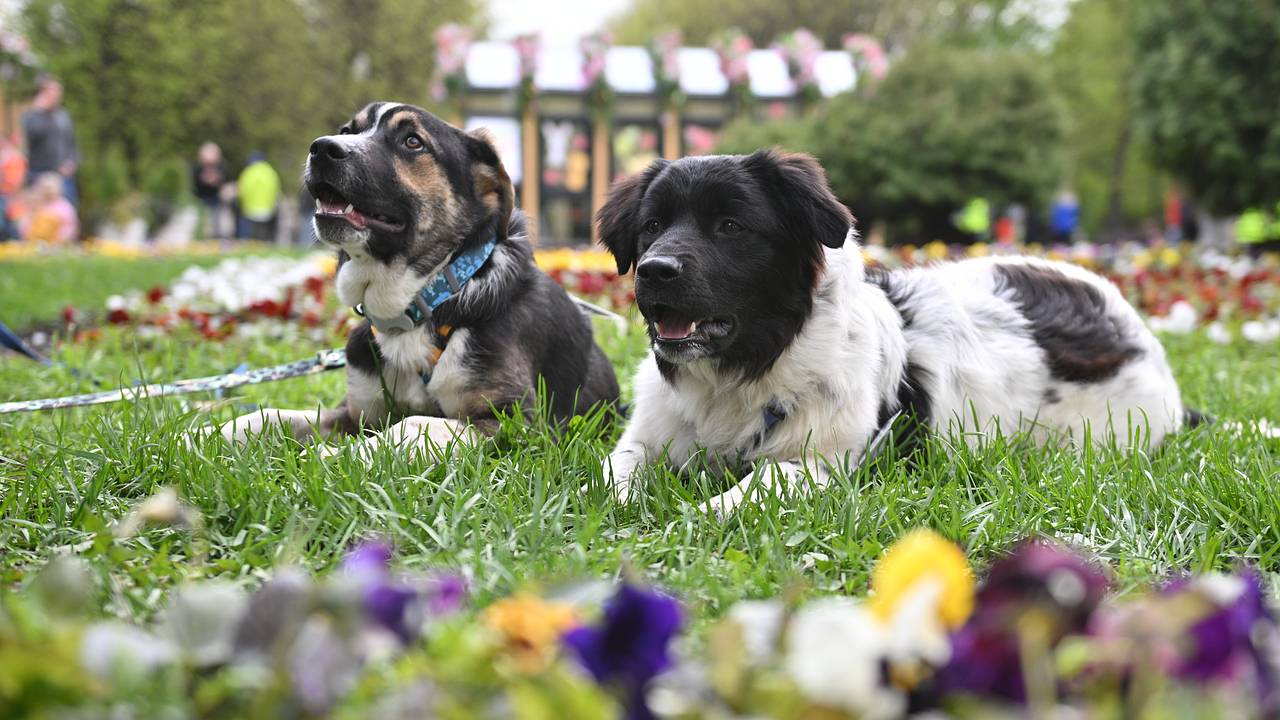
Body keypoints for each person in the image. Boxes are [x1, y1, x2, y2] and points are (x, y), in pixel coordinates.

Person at [22, 78, 78, 207]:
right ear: (43, 94)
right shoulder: (32, 117)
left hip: (63, 174)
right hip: (40, 174)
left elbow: (72, 142)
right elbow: (33, 135)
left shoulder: (63, 116)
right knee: (41, 215)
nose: (55, 97)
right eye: (51, 93)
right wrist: (39, 112)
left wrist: (72, 161)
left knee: (66, 213)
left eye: (57, 93)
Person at [19, 172, 78, 246]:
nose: (48, 191)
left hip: (58, 244)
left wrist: (60, 239)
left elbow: (70, 227)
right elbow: (25, 223)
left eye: (50, 188)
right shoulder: (35, 203)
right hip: (34, 243)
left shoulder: (65, 206)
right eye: (44, 188)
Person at [236, 152, 280, 241]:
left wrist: (242, 204)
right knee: (263, 234)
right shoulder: (271, 172)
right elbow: (276, 190)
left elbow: (243, 191)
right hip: (267, 209)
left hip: (251, 209)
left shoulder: (248, 172)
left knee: (251, 235)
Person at [193, 142, 230, 239]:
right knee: (203, 222)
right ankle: (202, 238)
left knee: (216, 222)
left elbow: (224, 181)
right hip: (201, 198)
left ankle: (215, 238)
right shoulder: (198, 168)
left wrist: (216, 180)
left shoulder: (221, 167)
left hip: (216, 199)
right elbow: (195, 182)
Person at [0, 133, 27, 241]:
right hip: (5, 195)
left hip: (9, 195)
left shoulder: (14, 158)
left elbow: (15, 181)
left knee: (11, 222)